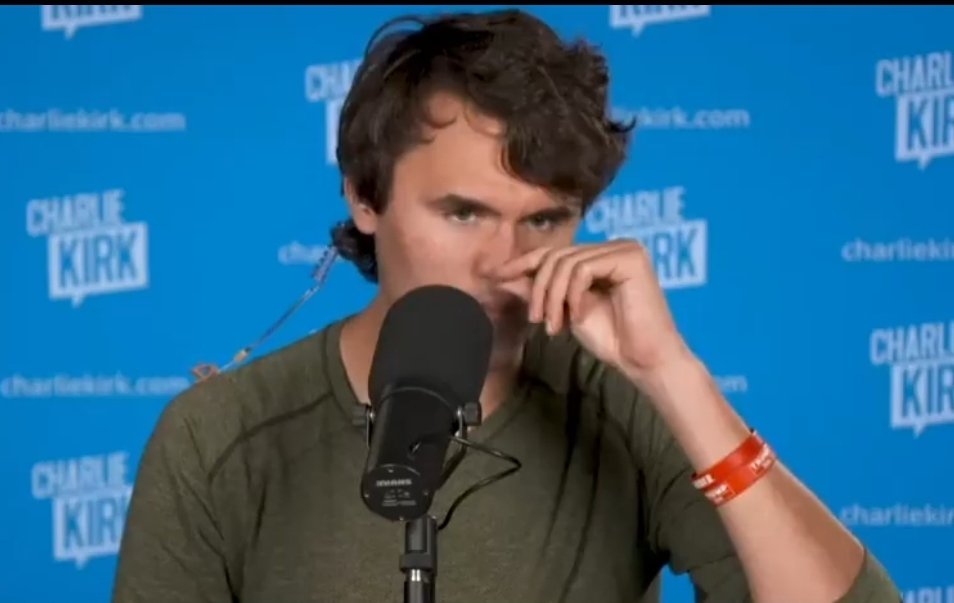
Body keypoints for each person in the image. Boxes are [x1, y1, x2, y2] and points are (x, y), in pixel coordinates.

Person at [112, 8, 902, 603]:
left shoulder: (628, 409)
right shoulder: (219, 436)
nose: (504, 260)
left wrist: (674, 376)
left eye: (546, 219)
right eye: (463, 213)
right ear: (364, 198)